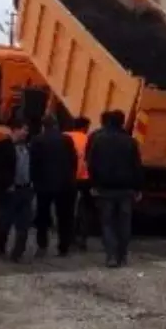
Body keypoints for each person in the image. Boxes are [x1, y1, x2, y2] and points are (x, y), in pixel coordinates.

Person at [85, 110, 143, 268]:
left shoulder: (99, 140)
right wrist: (138, 188)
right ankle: (122, 255)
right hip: (126, 190)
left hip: (105, 189)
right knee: (124, 223)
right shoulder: (131, 142)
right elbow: (137, 167)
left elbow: (91, 164)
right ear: (122, 122)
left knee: (107, 223)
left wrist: (93, 184)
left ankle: (110, 255)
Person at [29, 115, 79, 257]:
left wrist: (34, 182)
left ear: (43, 126)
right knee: (64, 217)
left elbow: (33, 163)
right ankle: (63, 247)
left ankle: (42, 245)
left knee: (43, 216)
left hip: (44, 185)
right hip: (65, 184)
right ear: (56, 125)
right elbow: (73, 160)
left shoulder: (37, 140)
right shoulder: (66, 140)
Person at [0, 120, 34, 261]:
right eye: (24, 129)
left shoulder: (27, 147)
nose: (26, 133)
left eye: (27, 130)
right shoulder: (4, 146)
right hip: (10, 192)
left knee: (23, 225)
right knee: (5, 223)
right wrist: (6, 184)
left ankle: (17, 253)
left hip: (25, 191)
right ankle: (0, 249)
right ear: (15, 130)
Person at [64, 116, 94, 251]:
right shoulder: (89, 139)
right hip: (85, 178)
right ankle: (82, 237)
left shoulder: (64, 137)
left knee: (67, 208)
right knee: (85, 209)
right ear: (84, 127)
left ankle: (67, 236)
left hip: (68, 178)